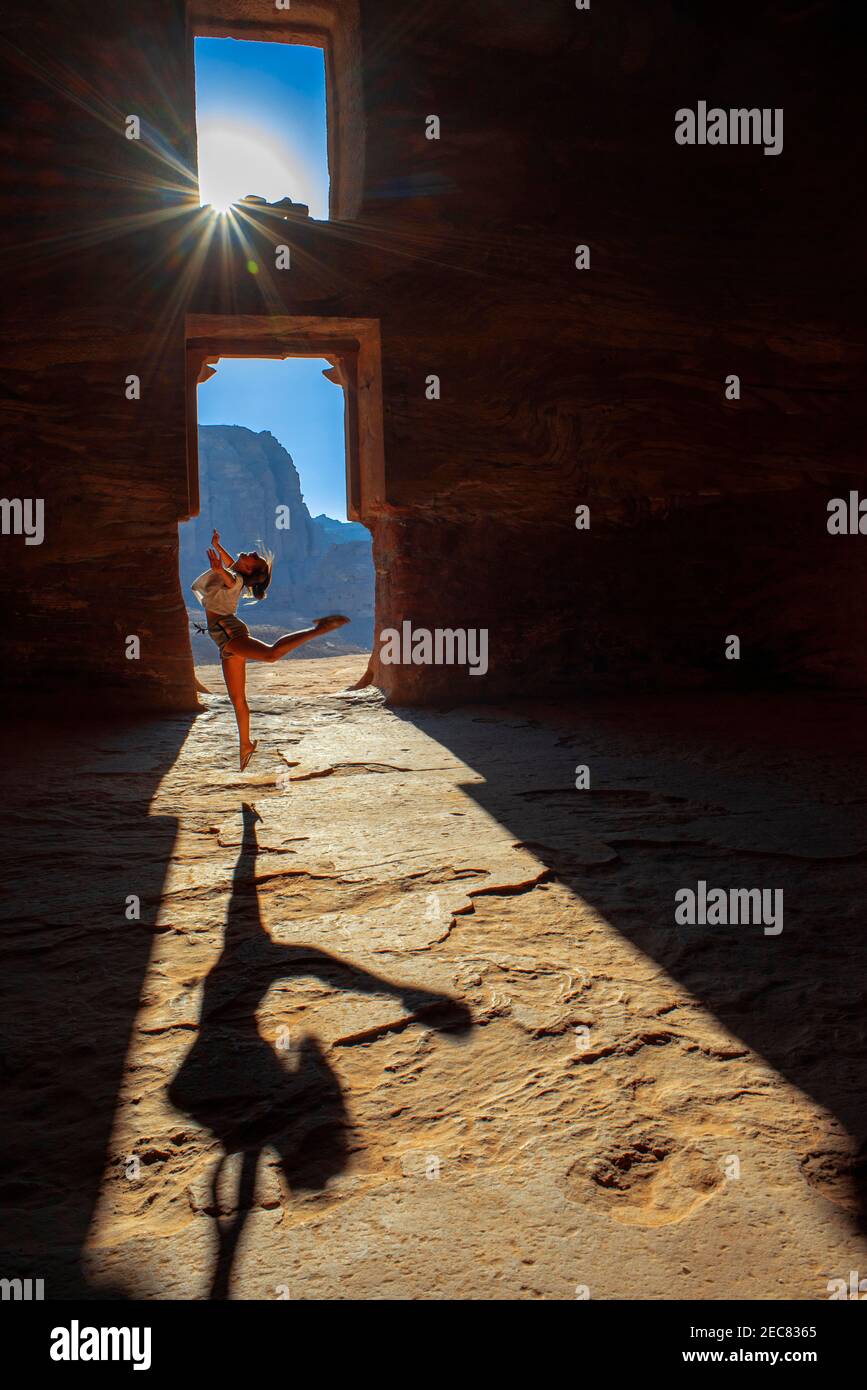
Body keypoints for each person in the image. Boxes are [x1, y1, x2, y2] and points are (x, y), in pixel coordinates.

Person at [191, 530, 348, 769]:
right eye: (255, 555)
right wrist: (218, 547)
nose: (253, 553)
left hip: (228, 631)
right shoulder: (237, 572)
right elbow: (231, 566)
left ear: (250, 570)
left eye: (255, 559)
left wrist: (218, 568)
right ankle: (245, 745)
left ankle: (317, 630)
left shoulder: (236, 579)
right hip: (225, 638)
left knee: (271, 655)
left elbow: (230, 576)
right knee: (238, 699)